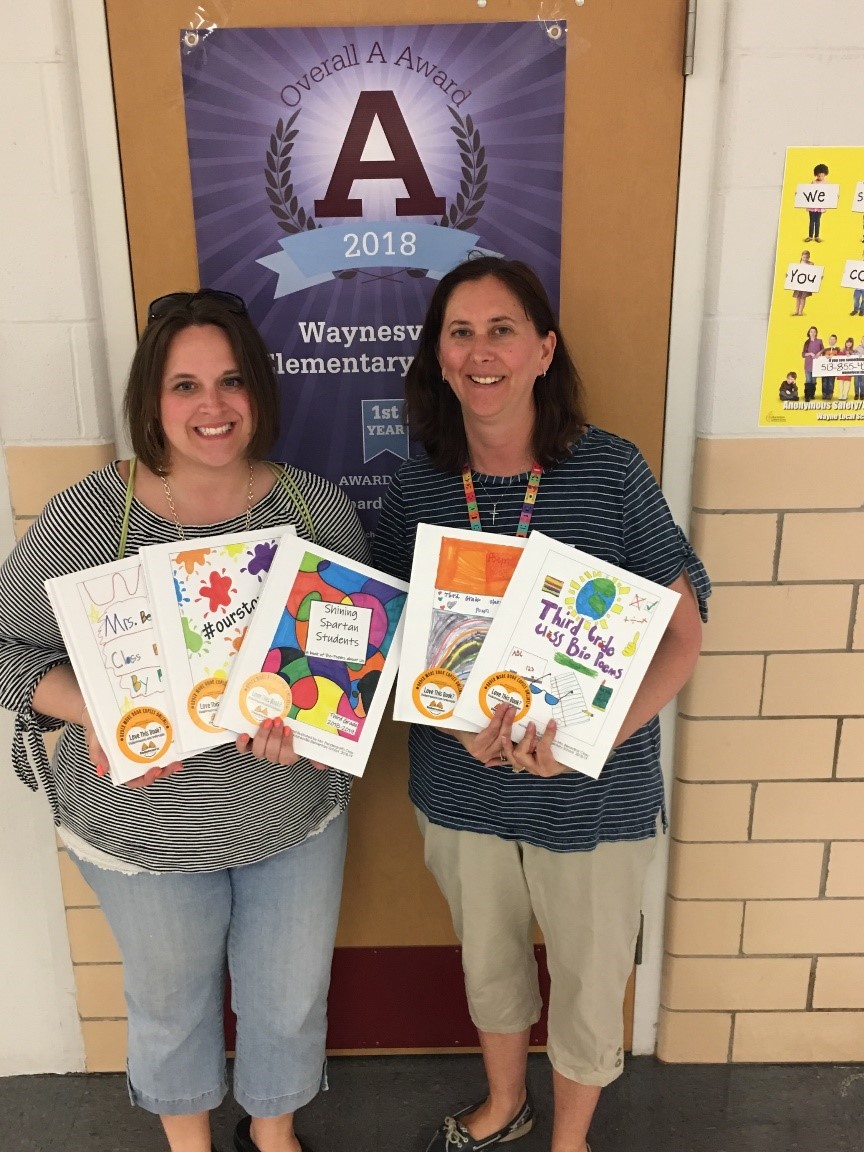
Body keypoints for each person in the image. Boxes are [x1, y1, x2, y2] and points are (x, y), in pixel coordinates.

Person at [0, 290, 369, 1152]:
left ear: (260, 392)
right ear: (151, 400)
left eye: (232, 381)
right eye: (184, 386)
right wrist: (88, 701)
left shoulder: (314, 512)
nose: (212, 408)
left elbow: (350, 676)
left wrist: (308, 725)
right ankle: (190, 1143)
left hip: (290, 818)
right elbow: (5, 649)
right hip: (144, 834)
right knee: (169, 1001)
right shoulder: (93, 515)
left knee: (288, 994)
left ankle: (272, 1134)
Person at [371, 257, 709, 1152]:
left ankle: (569, 1139)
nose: (482, 352)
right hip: (464, 792)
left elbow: (684, 636)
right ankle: (504, 1103)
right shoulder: (418, 489)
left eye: (503, 330)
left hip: (592, 797)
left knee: (591, 983)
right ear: (439, 359)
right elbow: (395, 644)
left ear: (544, 349)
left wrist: (591, 741)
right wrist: (449, 720)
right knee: (491, 969)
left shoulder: (608, 472)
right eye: (461, 333)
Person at [803, 162, 829, 243]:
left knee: (817, 221)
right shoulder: (813, 182)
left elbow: (829, 193)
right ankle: (810, 236)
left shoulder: (826, 183)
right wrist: (800, 194)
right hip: (812, 206)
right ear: (816, 175)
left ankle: (817, 236)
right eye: (818, 175)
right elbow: (808, 192)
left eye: (822, 175)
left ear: (825, 175)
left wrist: (835, 196)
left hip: (820, 206)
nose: (820, 177)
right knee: (811, 221)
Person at [801, 326, 824, 401]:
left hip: (816, 365)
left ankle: (812, 395)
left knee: (814, 381)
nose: (813, 333)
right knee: (808, 380)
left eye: (814, 331)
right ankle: (807, 396)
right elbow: (803, 354)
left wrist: (818, 353)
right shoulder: (807, 342)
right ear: (809, 333)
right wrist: (810, 353)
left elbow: (823, 350)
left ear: (816, 333)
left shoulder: (819, 341)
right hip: (808, 364)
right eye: (811, 331)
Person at [792, 250, 813, 316]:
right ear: (801, 257)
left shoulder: (811, 264)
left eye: (806, 257)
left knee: (803, 297)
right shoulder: (799, 264)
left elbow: (813, 273)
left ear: (809, 257)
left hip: (806, 283)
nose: (805, 259)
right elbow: (795, 272)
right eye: (804, 257)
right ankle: (796, 310)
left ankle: (800, 311)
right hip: (799, 283)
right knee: (798, 297)